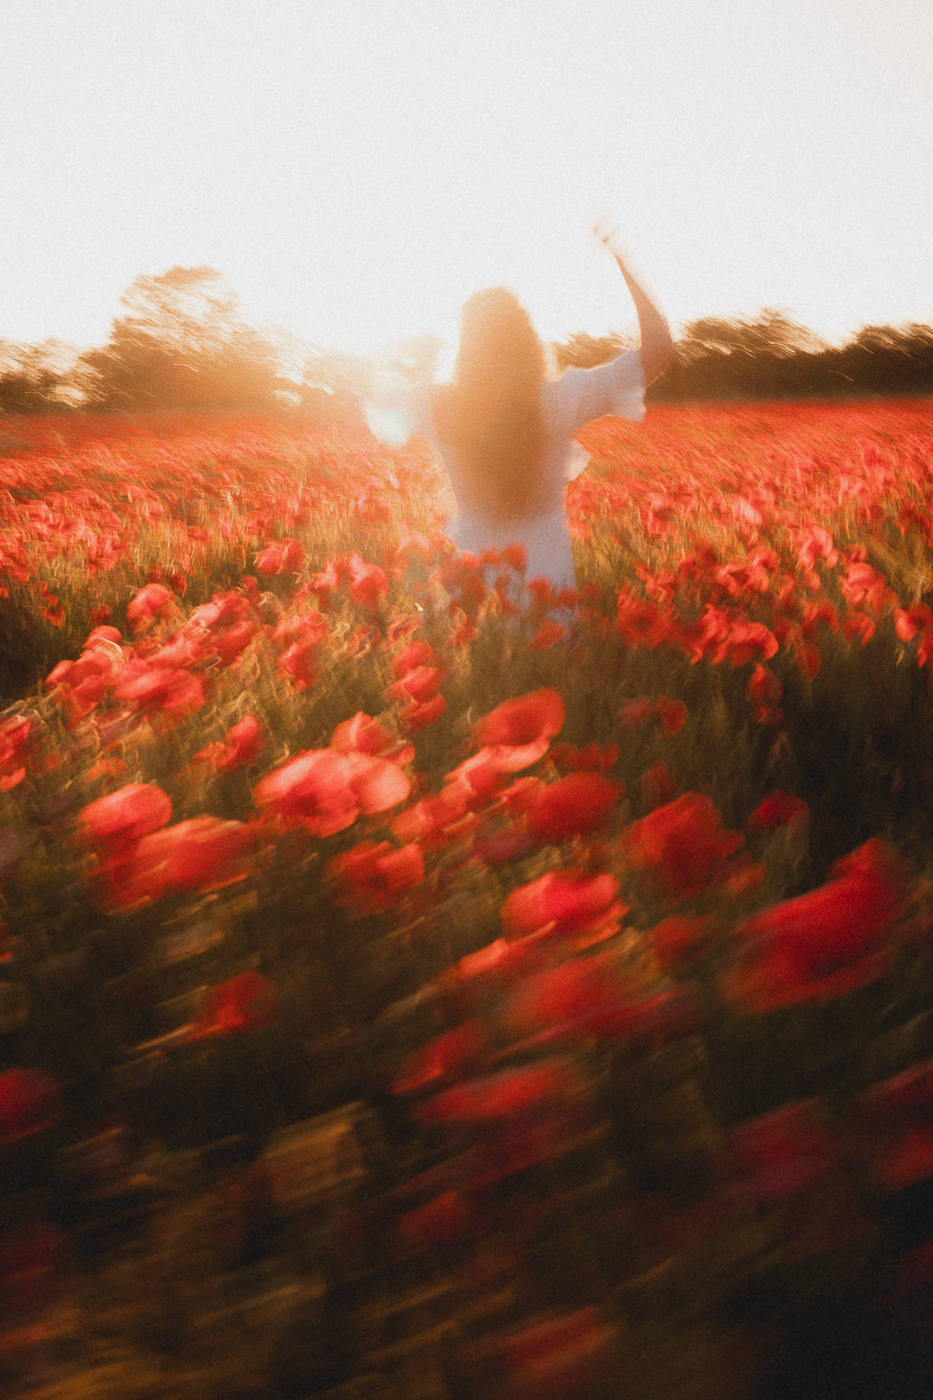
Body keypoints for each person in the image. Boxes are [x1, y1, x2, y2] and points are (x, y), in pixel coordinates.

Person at [366, 231, 675, 592]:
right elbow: (659, 350)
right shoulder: (561, 400)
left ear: (466, 346)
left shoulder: (432, 404)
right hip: (545, 592)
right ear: (528, 339)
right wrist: (622, 261)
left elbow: (374, 395)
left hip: (467, 592)